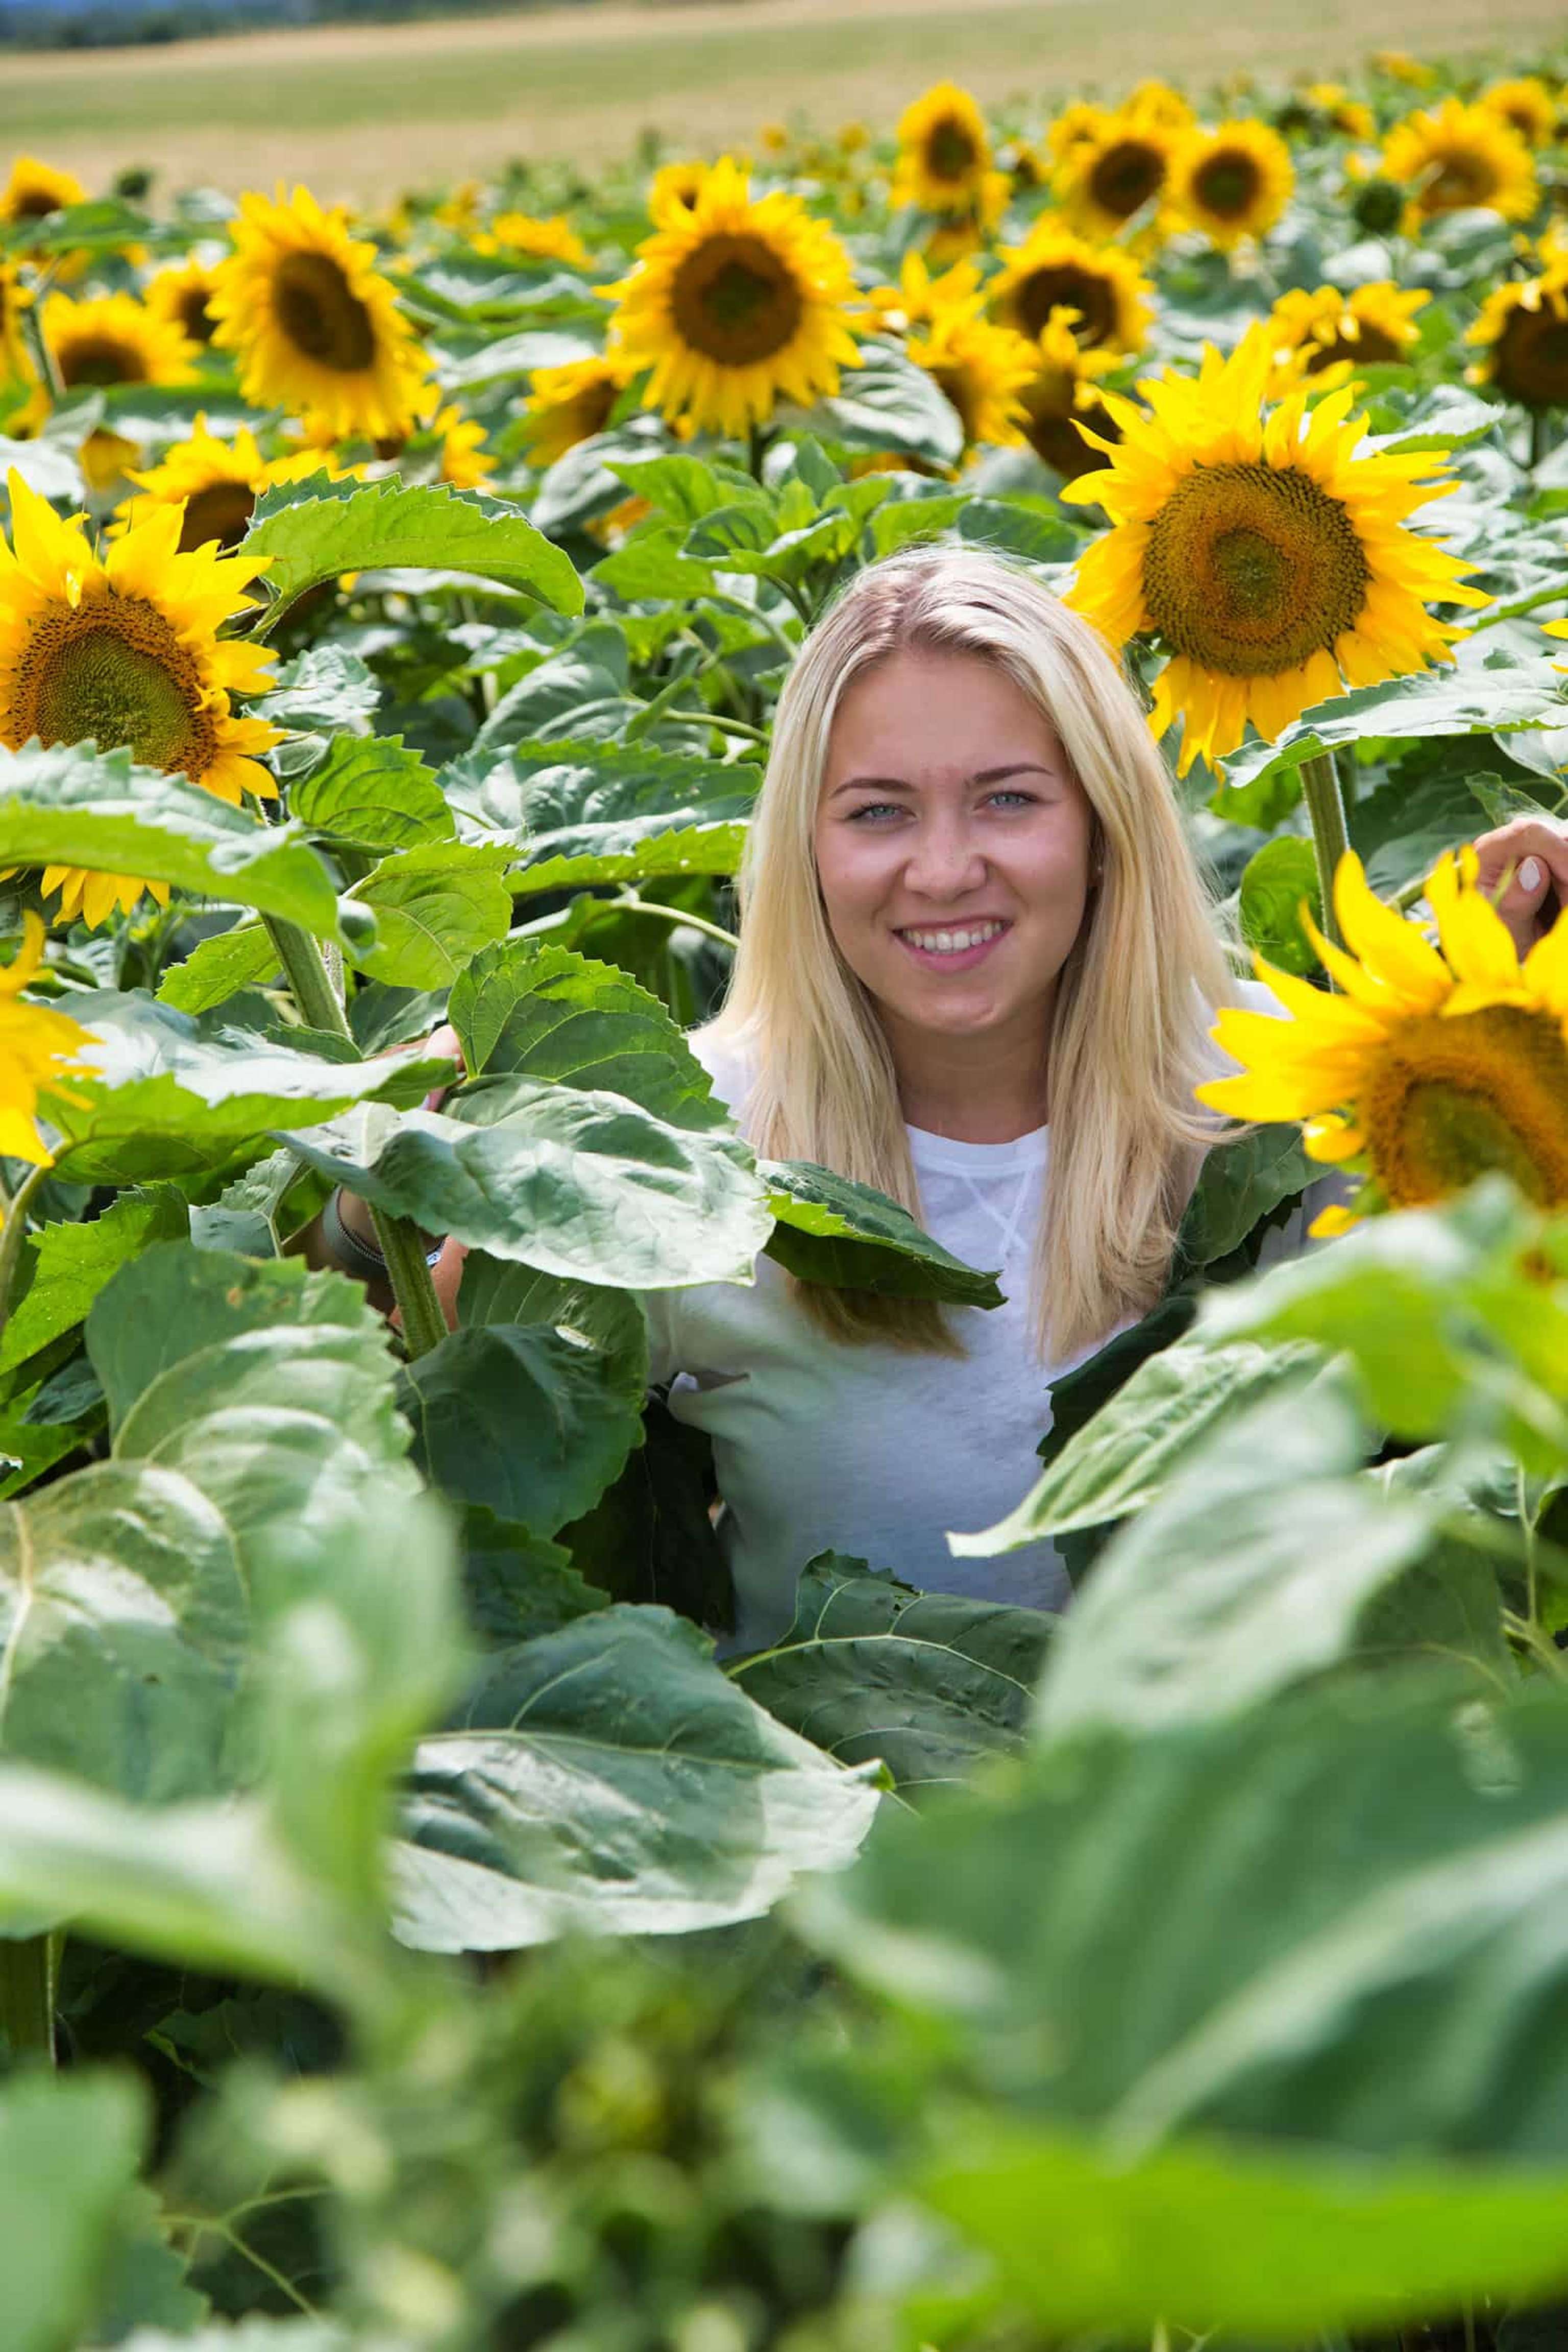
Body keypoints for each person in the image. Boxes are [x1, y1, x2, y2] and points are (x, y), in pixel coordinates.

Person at [315, 547, 1568, 1654]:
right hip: (860, 1871)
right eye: (877, 812)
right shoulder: (684, 1150)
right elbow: (425, 1433)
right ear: (805, 846)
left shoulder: (1281, 1110)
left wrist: (1506, 1013)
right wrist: (387, 1193)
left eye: (1009, 798)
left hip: (1226, 1873)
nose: (944, 868)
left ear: (1102, 827)